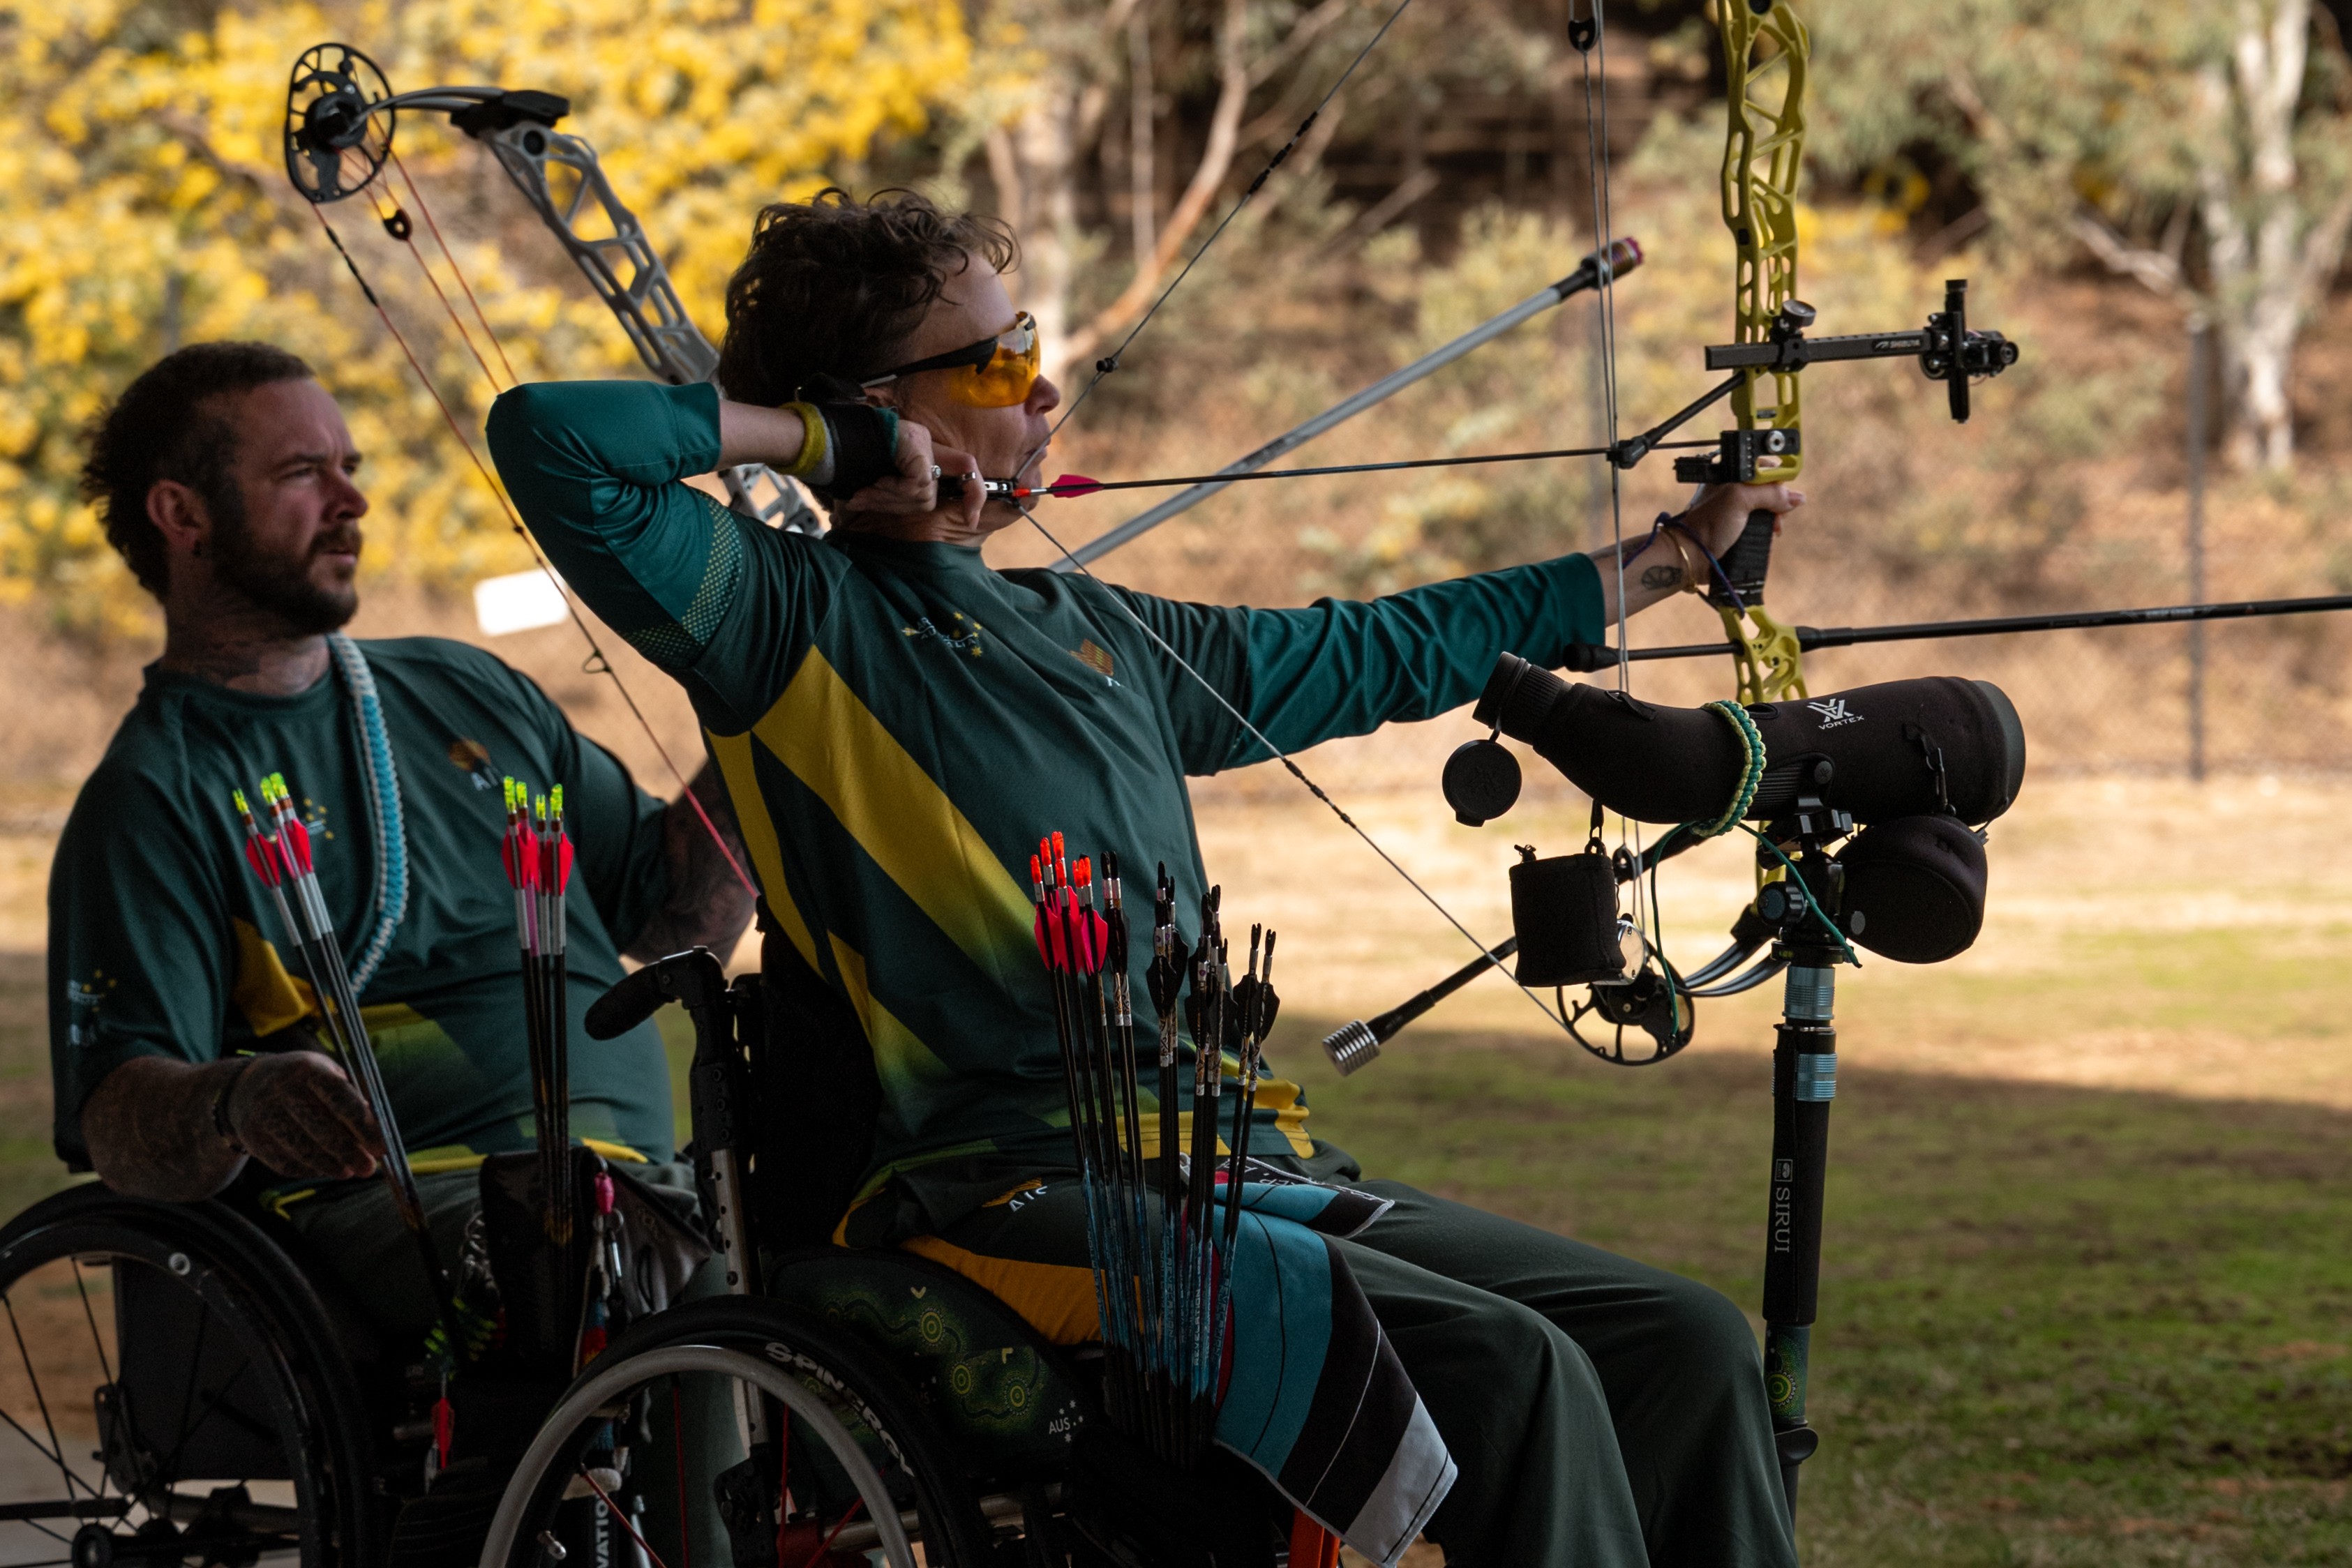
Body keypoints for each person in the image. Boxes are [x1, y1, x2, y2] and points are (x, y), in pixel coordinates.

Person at [487, 189, 1806, 1567]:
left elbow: (1378, 648)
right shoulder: (783, 622)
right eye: (997, 362)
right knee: (1512, 1368)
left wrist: (1667, 560)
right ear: (882, 405)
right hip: (995, 1193)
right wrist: (830, 443)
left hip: (1228, 1164)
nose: (1047, 386)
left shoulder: (1101, 628)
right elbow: (553, 439)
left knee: (1688, 1341)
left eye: (1031, 341)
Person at [50, 341, 754, 1339]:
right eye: (304, 474)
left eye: (351, 469)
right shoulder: (155, 791)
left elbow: (681, 917)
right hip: (422, 1208)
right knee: (628, 1273)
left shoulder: (467, 689)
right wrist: (236, 1101)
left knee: (829, 1262)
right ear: (183, 515)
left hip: (640, 1191)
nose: (353, 502)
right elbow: (118, 1115)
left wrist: (769, 695)